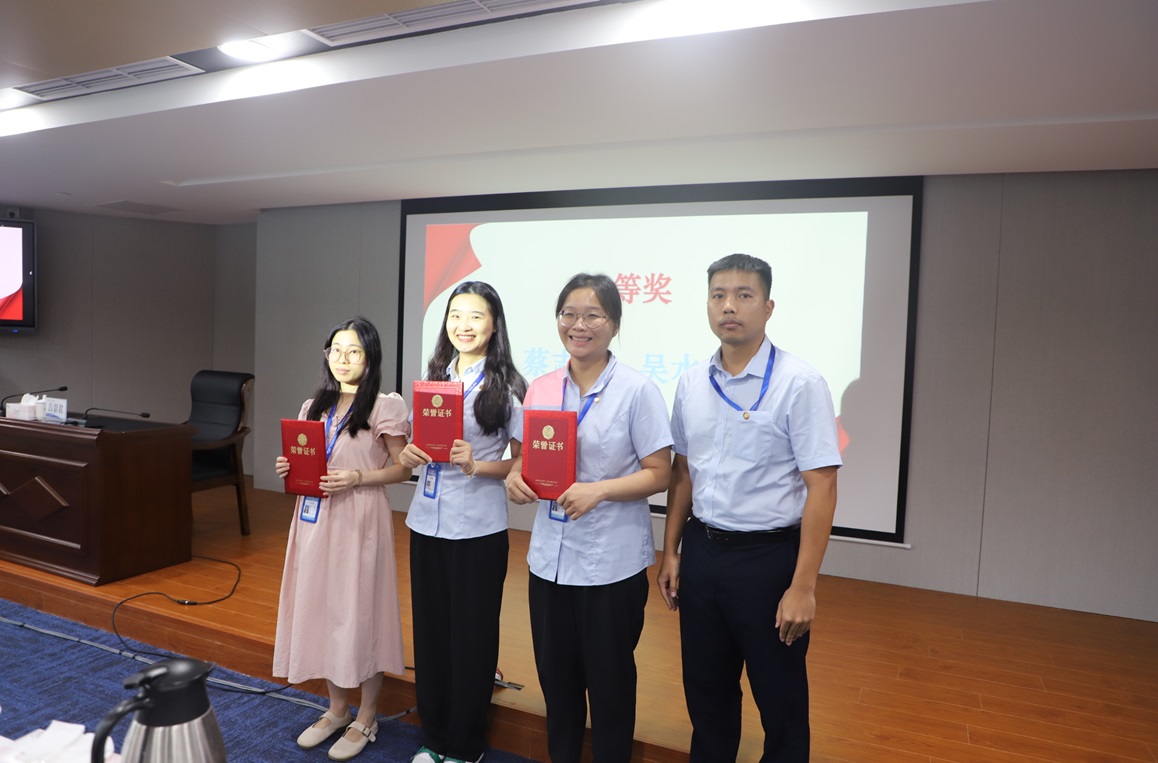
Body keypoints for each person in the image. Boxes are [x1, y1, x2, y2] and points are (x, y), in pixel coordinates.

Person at [657, 254, 841, 762]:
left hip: (768, 561)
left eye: (743, 295)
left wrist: (804, 586)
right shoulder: (692, 381)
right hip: (702, 552)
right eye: (718, 295)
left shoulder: (799, 383)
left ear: (768, 307)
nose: (728, 307)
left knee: (780, 700)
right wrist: (670, 550)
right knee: (707, 693)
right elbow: (683, 471)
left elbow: (823, 486)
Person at [505, 273, 672, 763]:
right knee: (557, 687)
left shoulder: (637, 390)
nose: (579, 325)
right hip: (549, 563)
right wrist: (515, 477)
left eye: (593, 315)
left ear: (614, 324)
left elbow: (660, 472)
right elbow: (523, 459)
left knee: (610, 689)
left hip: (610, 566)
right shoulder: (540, 388)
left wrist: (599, 490)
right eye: (569, 314)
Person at [397, 282, 527, 763]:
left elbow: (525, 463)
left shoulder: (509, 388)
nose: (463, 325)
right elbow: (417, 444)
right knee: (431, 636)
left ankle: (466, 746)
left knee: (471, 639)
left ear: (494, 325)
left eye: (475, 316)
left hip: (477, 527)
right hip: (426, 521)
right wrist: (408, 454)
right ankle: (434, 738)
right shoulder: (434, 378)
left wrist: (478, 464)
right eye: (455, 315)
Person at [273, 317, 412, 762]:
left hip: (360, 516)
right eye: (336, 350)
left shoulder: (385, 406)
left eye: (354, 351)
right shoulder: (313, 405)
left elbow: (403, 469)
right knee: (324, 608)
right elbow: (306, 461)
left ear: (370, 358)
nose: (343, 359)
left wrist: (357, 477)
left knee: (360, 611)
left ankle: (366, 716)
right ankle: (337, 709)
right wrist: (288, 468)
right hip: (315, 518)